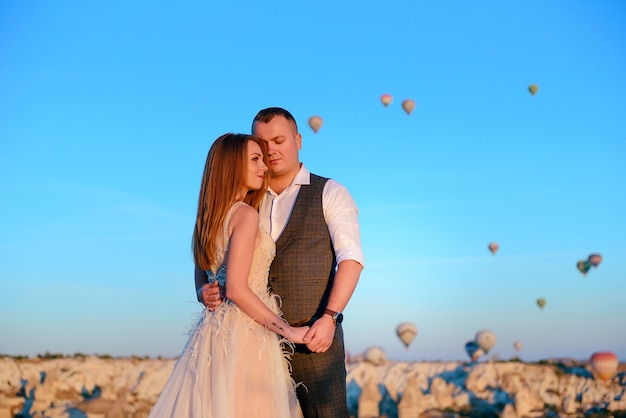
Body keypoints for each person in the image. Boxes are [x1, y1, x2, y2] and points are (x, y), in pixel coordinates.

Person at [198, 108, 364, 417]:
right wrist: (202, 288)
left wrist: (329, 317)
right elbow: (210, 254)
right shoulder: (246, 200)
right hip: (252, 343)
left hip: (313, 340)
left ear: (298, 140)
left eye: (278, 140)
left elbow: (351, 261)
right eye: (262, 145)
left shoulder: (330, 192)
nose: (271, 150)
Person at [150, 133, 308, 418]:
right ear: (231, 166)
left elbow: (202, 273)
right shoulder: (245, 215)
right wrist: (289, 331)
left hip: (212, 336)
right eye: (255, 160)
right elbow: (236, 288)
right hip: (246, 334)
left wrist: (202, 292)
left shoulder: (208, 219)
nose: (264, 167)